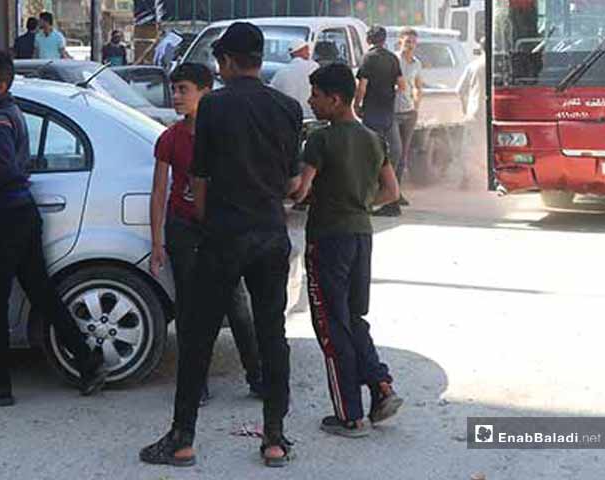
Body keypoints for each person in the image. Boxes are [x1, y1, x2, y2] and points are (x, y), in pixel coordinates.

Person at [140, 22, 303, 468]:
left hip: (224, 234)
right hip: (271, 233)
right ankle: (274, 437)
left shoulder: (213, 107)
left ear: (227, 61)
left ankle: (183, 437)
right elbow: (292, 181)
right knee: (273, 336)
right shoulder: (287, 107)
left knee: (198, 335)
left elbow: (200, 178)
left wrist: (211, 220)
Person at [0, 50, 108, 406]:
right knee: (41, 292)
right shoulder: (6, 113)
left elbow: (6, 170)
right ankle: (88, 361)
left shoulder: (0, 120)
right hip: (21, 215)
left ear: (1, 84)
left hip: (8, 220)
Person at [292, 63, 404, 438]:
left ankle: (350, 416)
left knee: (331, 325)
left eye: (316, 95)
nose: (311, 101)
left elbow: (301, 190)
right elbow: (392, 192)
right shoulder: (374, 138)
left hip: (327, 238)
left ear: (335, 99)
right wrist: (360, 204)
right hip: (361, 235)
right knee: (354, 317)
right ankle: (381, 385)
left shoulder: (321, 140)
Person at [149, 62, 264, 405]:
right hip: (183, 227)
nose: (177, 97)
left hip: (222, 227)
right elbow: (159, 192)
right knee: (189, 307)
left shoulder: (225, 133)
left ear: (206, 92)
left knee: (237, 305)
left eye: (184, 89)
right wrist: (158, 242)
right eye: (174, 90)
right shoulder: (170, 137)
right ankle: (195, 380)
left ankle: (257, 375)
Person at [354, 25, 406, 217]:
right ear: (384, 40)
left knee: (368, 156)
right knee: (392, 152)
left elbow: (362, 87)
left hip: (372, 114)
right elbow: (402, 85)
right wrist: (388, 94)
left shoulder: (368, 58)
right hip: (388, 113)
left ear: (369, 40)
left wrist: (356, 105)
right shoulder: (393, 58)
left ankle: (367, 200)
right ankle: (392, 200)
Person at [394, 28, 423, 206]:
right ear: (400, 42)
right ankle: (390, 191)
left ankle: (397, 192)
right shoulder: (394, 61)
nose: (410, 45)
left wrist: (417, 103)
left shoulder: (416, 63)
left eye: (413, 42)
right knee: (394, 152)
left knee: (403, 154)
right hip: (393, 112)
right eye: (407, 41)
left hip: (409, 112)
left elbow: (418, 85)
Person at [457, 38, 487, 189]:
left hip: (475, 112)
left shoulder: (473, 65)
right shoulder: (500, 65)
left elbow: (460, 90)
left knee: (470, 146)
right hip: (494, 112)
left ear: (480, 48)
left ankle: (467, 178)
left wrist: (465, 109)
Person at [270, 39, 320, 118]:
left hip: (291, 119)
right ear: (301, 50)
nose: (308, 52)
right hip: (313, 118)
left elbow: (271, 95)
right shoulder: (315, 67)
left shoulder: (281, 73)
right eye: (306, 49)